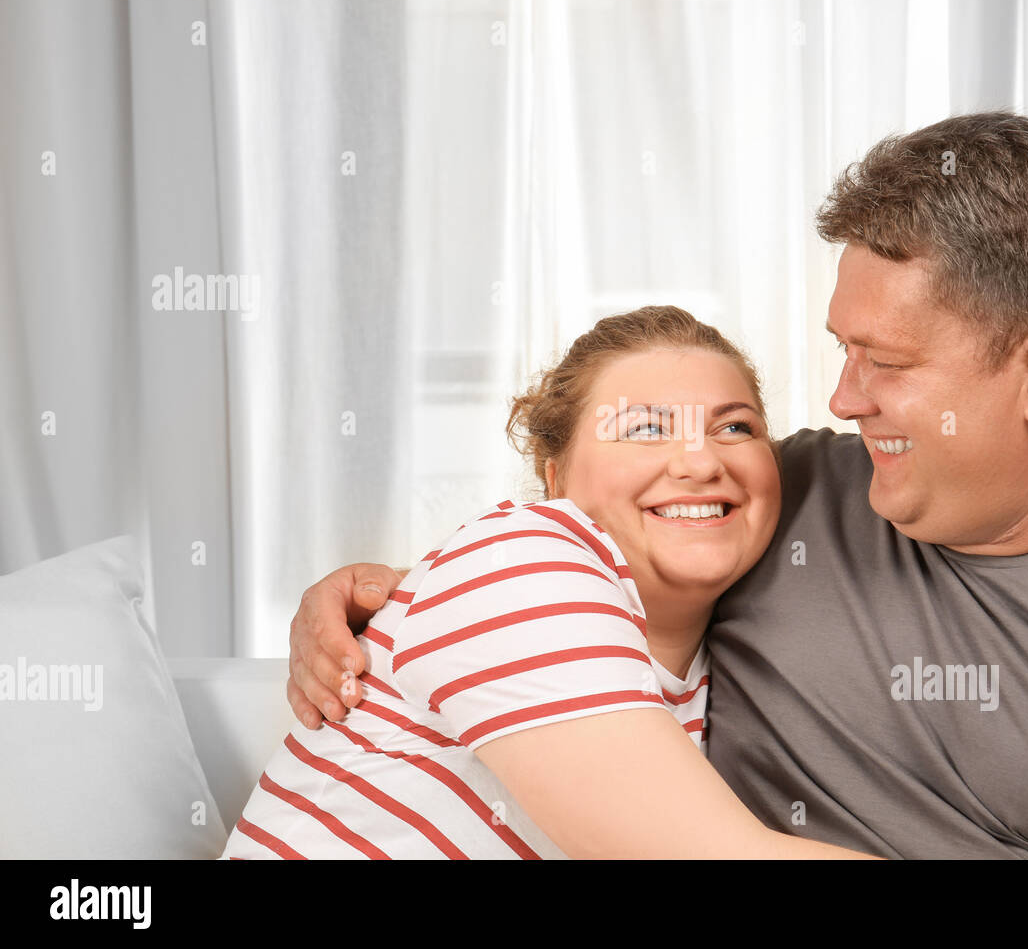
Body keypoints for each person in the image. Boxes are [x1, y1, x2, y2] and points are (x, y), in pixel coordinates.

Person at [289, 112, 1028, 859]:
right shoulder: (783, 494)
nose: (842, 396)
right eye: (839, 350)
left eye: (884, 360)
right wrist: (379, 594)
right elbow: (560, 560)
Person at [225, 305, 877, 859]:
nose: (701, 460)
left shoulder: (719, 655)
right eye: (645, 429)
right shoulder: (518, 561)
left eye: (735, 427)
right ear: (557, 477)